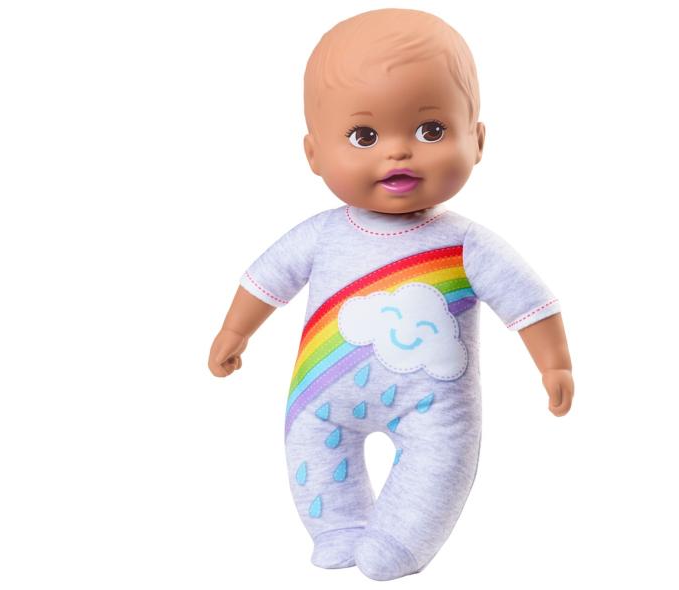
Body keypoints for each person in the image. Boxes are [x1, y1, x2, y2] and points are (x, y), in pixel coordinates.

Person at [208, 8, 574, 581]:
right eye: (364, 136)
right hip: (322, 393)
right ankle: (335, 528)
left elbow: (528, 302)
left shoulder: (466, 244)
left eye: (431, 131)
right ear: (313, 154)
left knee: (440, 467)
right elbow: (265, 281)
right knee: (312, 448)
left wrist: (554, 364)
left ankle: (401, 542)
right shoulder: (321, 235)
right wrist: (235, 331)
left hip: (437, 410)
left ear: (477, 140)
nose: (398, 152)